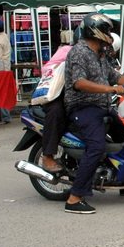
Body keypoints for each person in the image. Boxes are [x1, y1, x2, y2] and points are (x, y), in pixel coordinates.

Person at [63, 13, 124, 215]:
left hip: (102, 107)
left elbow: (115, 76)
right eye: (106, 30)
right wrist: (111, 89)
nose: (109, 35)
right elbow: (79, 83)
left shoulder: (101, 54)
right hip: (82, 107)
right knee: (97, 146)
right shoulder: (79, 52)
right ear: (94, 31)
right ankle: (74, 197)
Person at [39, 42, 75, 173]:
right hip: (56, 93)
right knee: (56, 112)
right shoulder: (67, 50)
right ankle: (47, 155)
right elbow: (46, 69)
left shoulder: (98, 54)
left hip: (76, 95)